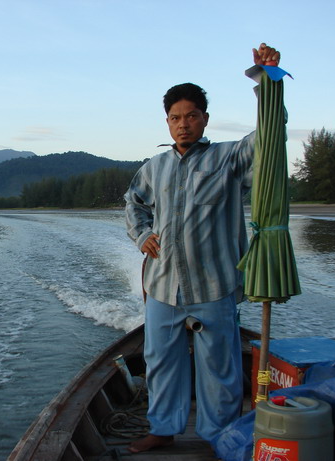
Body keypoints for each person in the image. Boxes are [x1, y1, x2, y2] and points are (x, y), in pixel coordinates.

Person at [124, 43, 281, 453]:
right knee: (160, 362)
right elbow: (133, 203)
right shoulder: (153, 168)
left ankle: (219, 435)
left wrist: (267, 81)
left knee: (220, 366)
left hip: (214, 284)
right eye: (175, 117)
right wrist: (142, 235)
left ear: (204, 119)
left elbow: (270, 133)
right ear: (167, 122)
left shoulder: (227, 160)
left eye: (191, 115)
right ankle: (162, 427)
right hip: (162, 287)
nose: (183, 124)